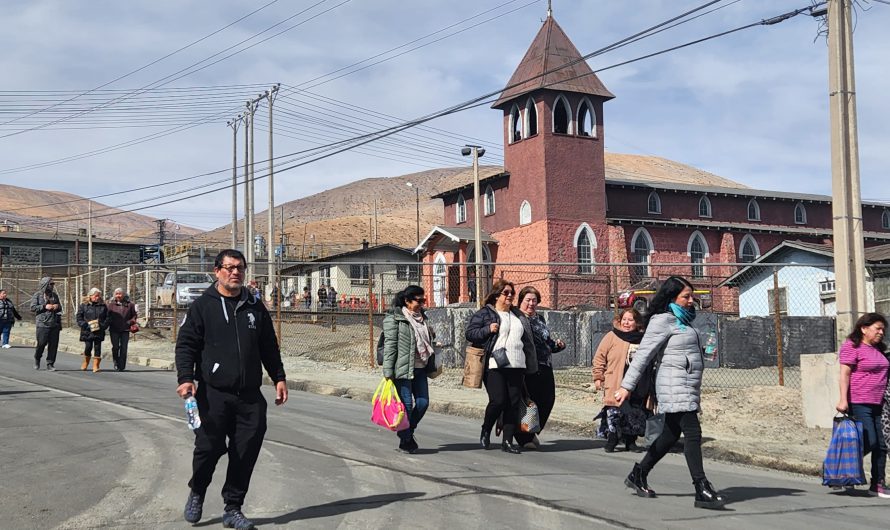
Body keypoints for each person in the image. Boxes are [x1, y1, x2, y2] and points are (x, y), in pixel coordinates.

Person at [175, 249, 288, 529]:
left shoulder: (254, 305)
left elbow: (268, 346)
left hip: (250, 396)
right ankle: (198, 490)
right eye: (229, 267)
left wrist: (279, 377)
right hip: (213, 395)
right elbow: (186, 344)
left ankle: (233, 508)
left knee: (245, 451)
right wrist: (185, 377)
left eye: (240, 267)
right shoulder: (203, 306)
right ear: (217, 271)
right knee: (208, 448)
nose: (235, 272)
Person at [615, 275, 726, 510]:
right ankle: (701, 488)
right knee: (693, 432)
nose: (690, 300)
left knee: (670, 435)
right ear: (672, 297)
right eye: (686, 296)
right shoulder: (662, 321)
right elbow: (643, 355)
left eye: (691, 296)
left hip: (687, 385)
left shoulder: (684, 321)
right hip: (673, 386)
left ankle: (639, 474)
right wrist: (626, 386)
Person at [465, 279, 537, 454]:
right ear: (497, 295)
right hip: (494, 364)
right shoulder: (486, 313)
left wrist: (532, 363)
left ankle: (508, 441)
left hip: (517, 364)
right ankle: (486, 429)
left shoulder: (518, 315)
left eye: (512, 293)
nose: (510, 296)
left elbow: (528, 341)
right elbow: (470, 333)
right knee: (498, 401)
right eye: (506, 293)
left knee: (513, 404)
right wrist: (487, 329)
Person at [836, 312, 889, 498]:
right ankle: (838, 465)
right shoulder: (853, 346)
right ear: (864, 328)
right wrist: (843, 399)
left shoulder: (879, 350)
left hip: (879, 403)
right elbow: (845, 374)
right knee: (870, 440)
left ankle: (878, 484)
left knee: (882, 446)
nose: (881, 332)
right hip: (859, 402)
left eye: (883, 329)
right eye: (877, 328)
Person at [382, 285, 437, 453]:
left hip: (421, 367)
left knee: (423, 403)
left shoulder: (424, 318)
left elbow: (426, 340)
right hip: (403, 369)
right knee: (406, 405)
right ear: (407, 301)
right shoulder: (394, 319)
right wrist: (388, 371)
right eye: (418, 301)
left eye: (424, 300)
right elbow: (390, 345)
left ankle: (406, 432)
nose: (421, 304)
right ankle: (407, 439)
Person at [513, 286, 565, 450]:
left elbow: (546, 341)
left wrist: (556, 346)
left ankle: (532, 430)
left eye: (534, 300)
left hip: (545, 364)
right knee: (529, 402)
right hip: (527, 366)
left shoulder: (539, 319)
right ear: (521, 301)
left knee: (548, 399)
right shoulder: (517, 319)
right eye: (527, 300)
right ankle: (524, 437)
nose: (531, 304)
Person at [593, 308, 646, 453]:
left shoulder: (643, 338)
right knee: (614, 411)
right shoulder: (612, 336)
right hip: (615, 380)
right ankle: (612, 438)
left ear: (637, 323)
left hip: (637, 383)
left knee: (634, 412)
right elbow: (599, 357)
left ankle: (631, 441)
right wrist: (598, 377)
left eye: (630, 320)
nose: (626, 323)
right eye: (624, 319)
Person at [30, 276, 62, 371]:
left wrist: (57, 306)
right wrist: (44, 306)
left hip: (54, 323)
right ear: (45, 285)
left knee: (53, 345)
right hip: (42, 324)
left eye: (53, 284)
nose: (52, 286)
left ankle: (50, 363)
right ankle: (37, 358)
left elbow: (60, 307)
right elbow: (33, 307)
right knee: (41, 343)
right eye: (51, 284)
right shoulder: (38, 295)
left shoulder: (54, 295)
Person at [76, 288, 109, 373]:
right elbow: (79, 317)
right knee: (88, 347)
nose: (97, 297)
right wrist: (85, 325)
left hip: (99, 330)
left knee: (97, 347)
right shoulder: (84, 305)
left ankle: (96, 366)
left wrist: (102, 325)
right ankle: (86, 361)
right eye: (95, 296)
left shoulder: (103, 306)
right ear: (90, 296)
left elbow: (107, 318)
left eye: (98, 296)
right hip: (87, 330)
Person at [106, 287, 137, 371]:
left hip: (125, 329)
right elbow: (107, 316)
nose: (118, 295)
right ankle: (116, 362)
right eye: (117, 294)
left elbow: (134, 316)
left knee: (124, 348)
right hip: (114, 329)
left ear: (123, 294)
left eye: (120, 294)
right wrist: (109, 322)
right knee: (115, 347)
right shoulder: (111, 305)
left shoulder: (130, 304)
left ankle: (121, 366)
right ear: (114, 295)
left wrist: (129, 322)